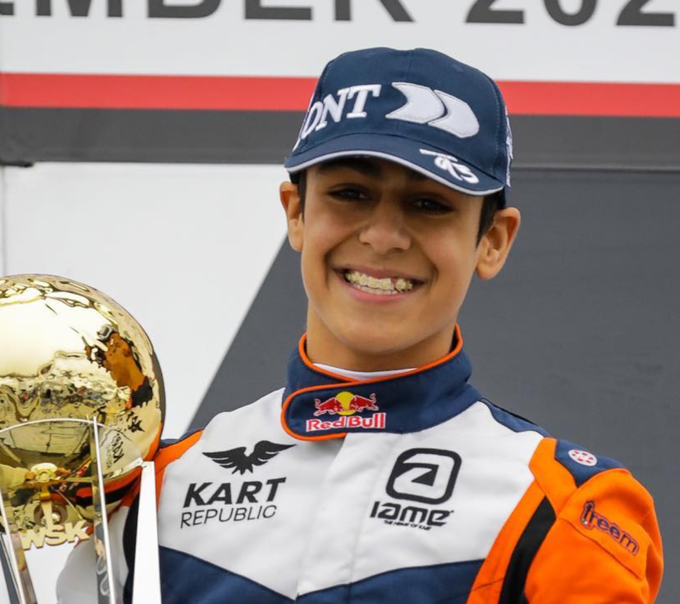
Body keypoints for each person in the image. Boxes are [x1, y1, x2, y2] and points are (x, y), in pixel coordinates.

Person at [57, 47, 663, 604]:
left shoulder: (560, 505)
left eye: (429, 204)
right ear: (297, 213)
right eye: (350, 193)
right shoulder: (158, 492)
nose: (383, 237)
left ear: (493, 241)